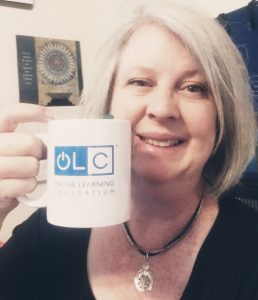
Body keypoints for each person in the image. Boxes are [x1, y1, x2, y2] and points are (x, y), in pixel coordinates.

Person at [0, 0, 257, 299]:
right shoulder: (53, 226)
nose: (162, 109)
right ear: (108, 104)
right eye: (140, 81)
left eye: (193, 87)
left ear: (221, 116)